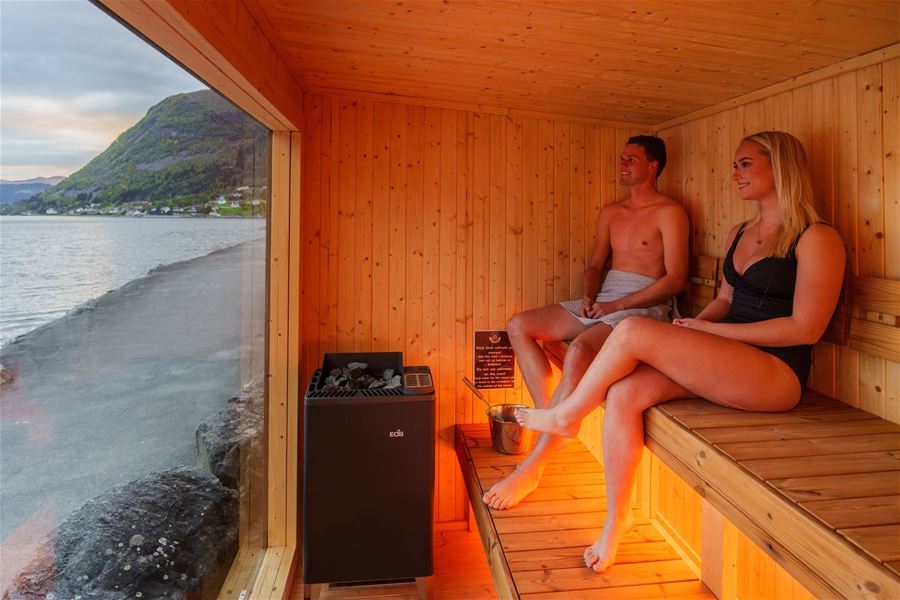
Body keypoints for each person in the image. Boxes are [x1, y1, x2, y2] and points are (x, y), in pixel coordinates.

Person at [515, 131, 845, 573]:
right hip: (727, 357)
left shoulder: (817, 238)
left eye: (745, 164)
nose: (734, 175)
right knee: (624, 394)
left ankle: (566, 415)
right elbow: (726, 303)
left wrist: (712, 334)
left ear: (780, 166)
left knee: (631, 329)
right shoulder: (741, 232)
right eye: (734, 165)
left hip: (775, 372)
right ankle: (617, 520)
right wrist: (692, 328)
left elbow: (806, 328)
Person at [482, 135, 689, 510]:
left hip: (642, 308)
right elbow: (596, 265)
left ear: (653, 166)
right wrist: (592, 297)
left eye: (631, 159)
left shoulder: (669, 212)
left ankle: (533, 467)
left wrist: (618, 303)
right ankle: (553, 415)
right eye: (621, 158)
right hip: (605, 300)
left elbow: (675, 280)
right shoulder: (612, 212)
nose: (622, 164)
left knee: (578, 351)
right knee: (519, 325)